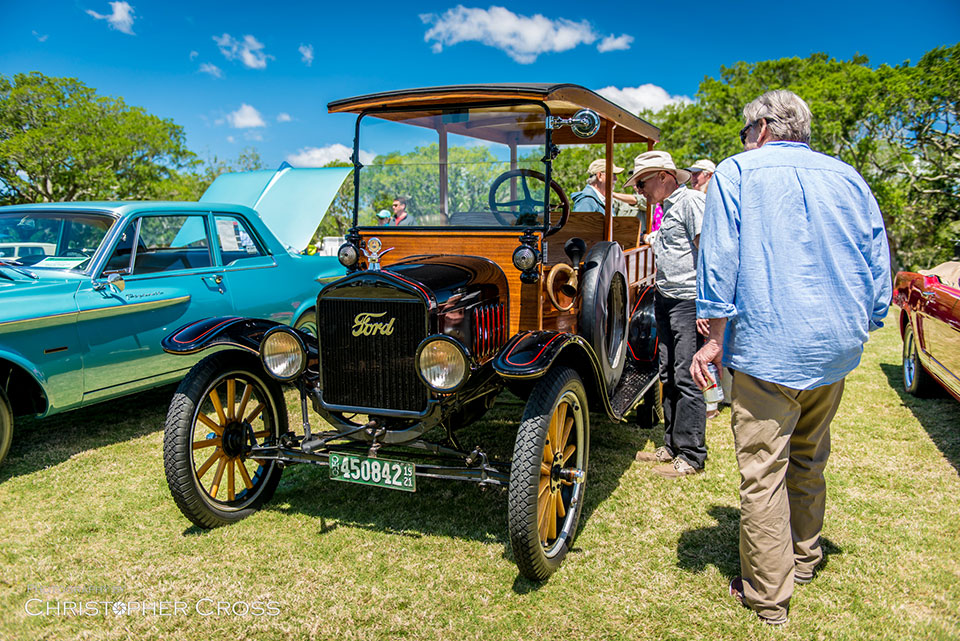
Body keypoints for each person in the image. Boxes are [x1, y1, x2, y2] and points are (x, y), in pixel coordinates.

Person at [690, 90, 891, 625]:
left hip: (768, 345)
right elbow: (877, 255)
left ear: (759, 128)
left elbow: (719, 261)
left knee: (763, 471)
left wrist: (712, 336)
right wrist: (869, 317)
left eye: (743, 133)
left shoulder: (737, 172)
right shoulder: (848, 176)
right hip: (835, 347)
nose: (743, 142)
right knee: (809, 455)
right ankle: (804, 557)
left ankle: (767, 595)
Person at [624, 150, 707, 478]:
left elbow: (709, 253)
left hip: (688, 301)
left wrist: (708, 305)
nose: (639, 189)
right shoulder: (669, 208)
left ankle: (692, 454)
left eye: (642, 181)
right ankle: (672, 444)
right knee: (668, 371)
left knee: (686, 375)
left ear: (663, 176)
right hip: (667, 297)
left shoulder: (691, 204)